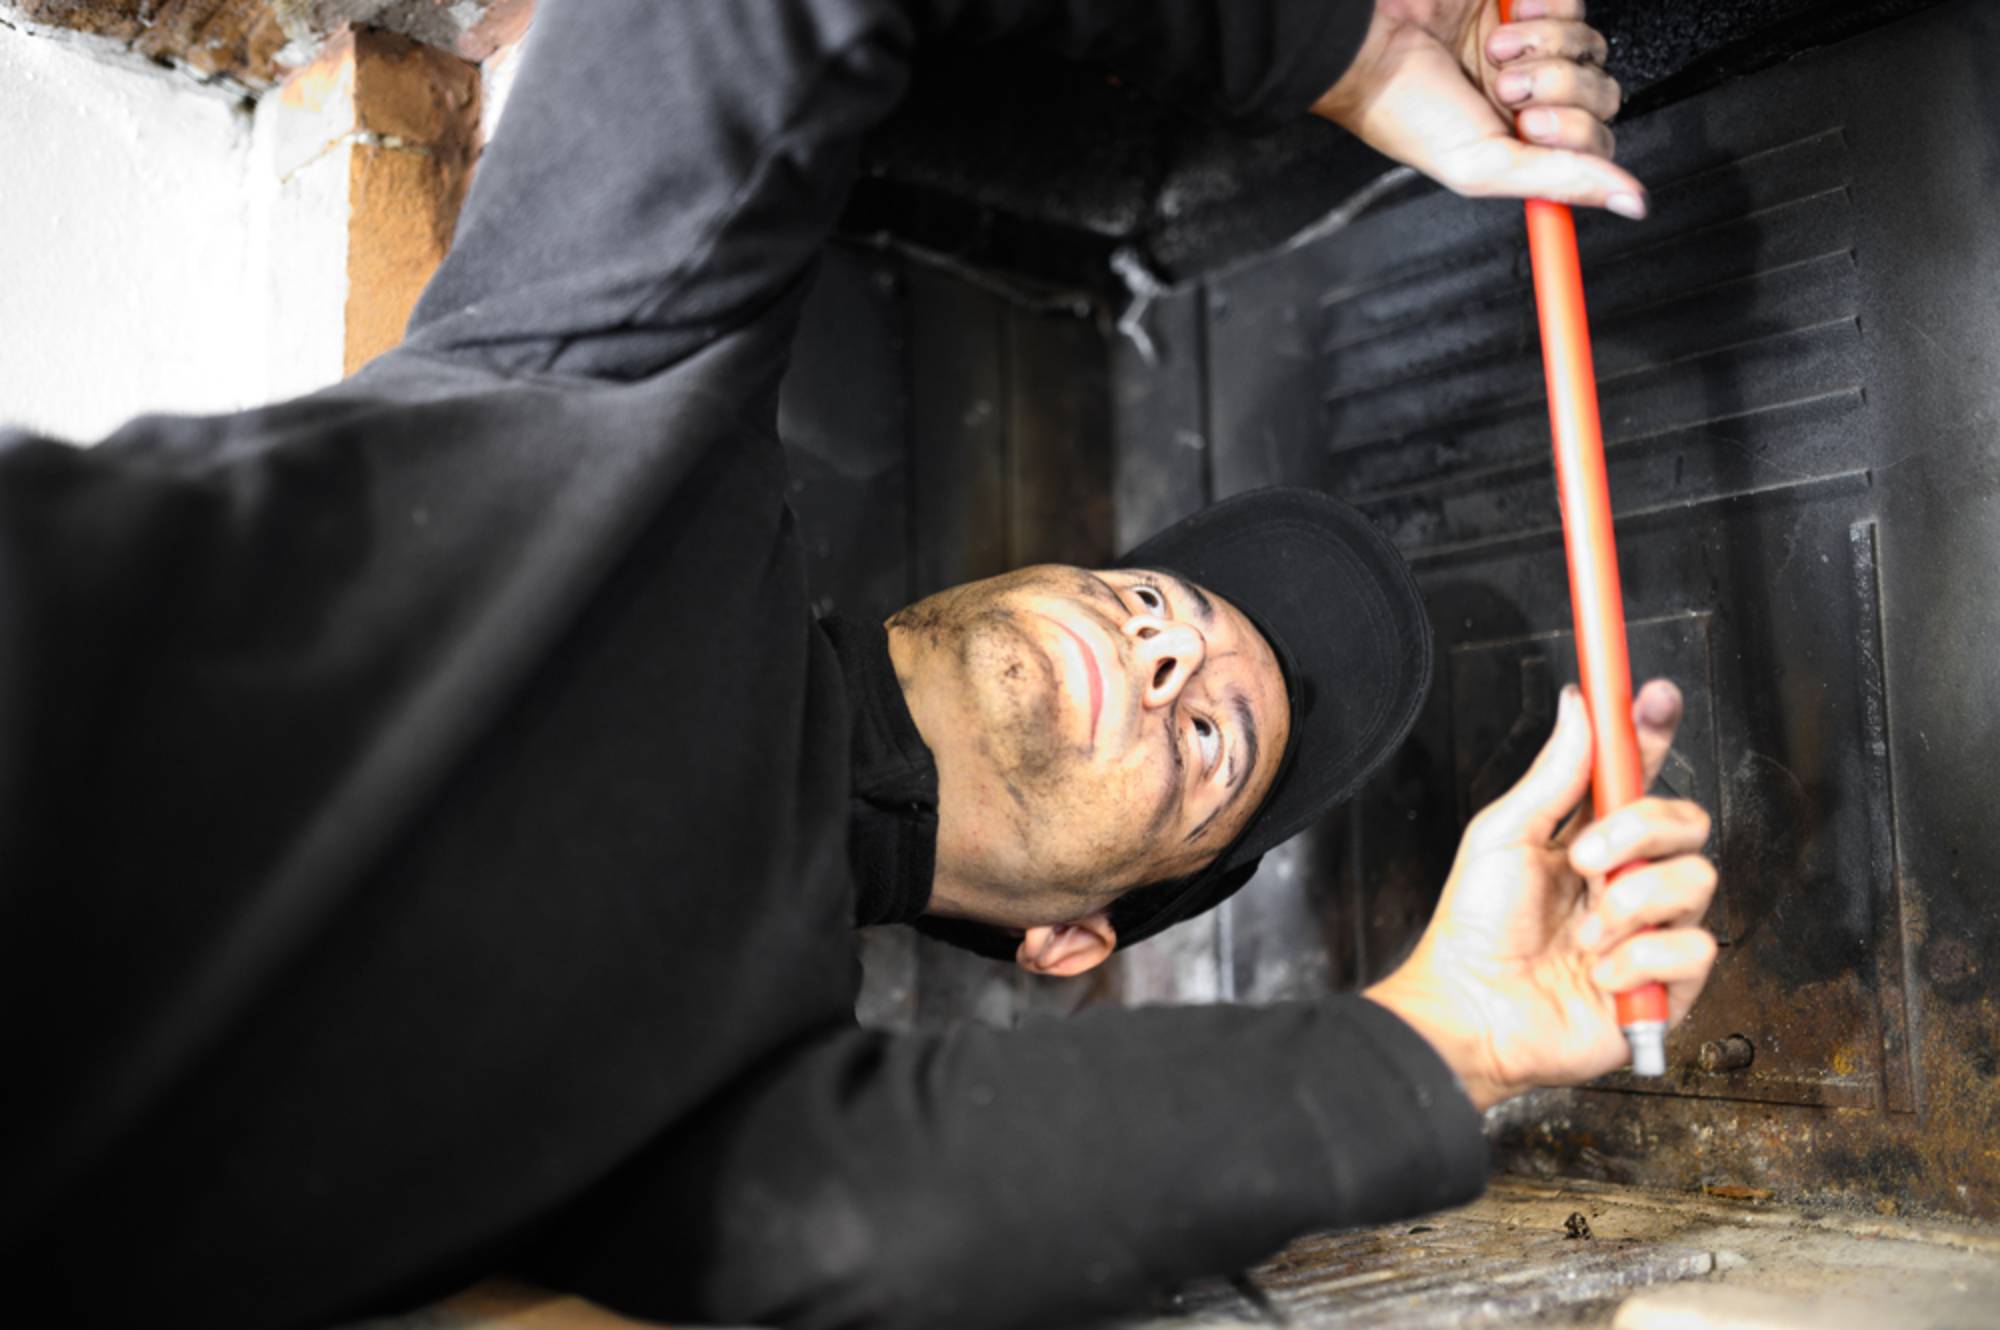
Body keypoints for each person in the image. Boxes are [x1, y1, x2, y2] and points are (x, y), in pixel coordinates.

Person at [0, 1, 1716, 1328]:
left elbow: (889, 1219)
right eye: (1163, 598)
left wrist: (1445, 1040)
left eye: (1216, 740)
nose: (1173, 639)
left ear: (1070, 939)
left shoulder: (747, 1100)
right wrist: (1338, 41)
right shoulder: (646, 414)